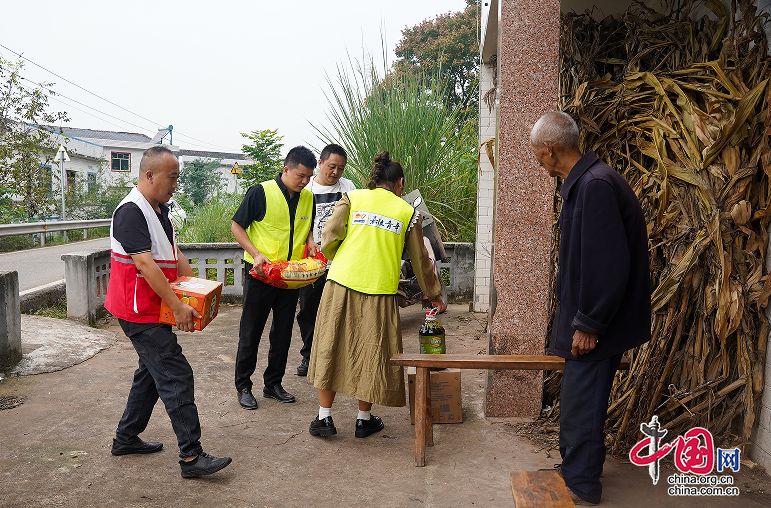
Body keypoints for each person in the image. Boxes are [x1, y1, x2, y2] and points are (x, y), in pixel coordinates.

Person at [530, 112, 650, 505]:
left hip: (595, 325)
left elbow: (607, 263)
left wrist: (590, 323)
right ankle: (578, 469)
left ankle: (581, 484)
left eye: (537, 154)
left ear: (550, 149)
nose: (537, 161)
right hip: (589, 321)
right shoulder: (587, 183)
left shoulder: (596, 185)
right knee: (582, 398)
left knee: (584, 400)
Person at [105, 145, 232, 478]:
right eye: (172, 177)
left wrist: (194, 291)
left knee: (149, 375)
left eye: (177, 178)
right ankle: (192, 458)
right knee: (176, 374)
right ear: (150, 175)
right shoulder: (131, 211)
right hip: (138, 313)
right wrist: (178, 307)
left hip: (151, 309)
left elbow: (174, 256)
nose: (176, 184)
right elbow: (145, 265)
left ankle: (126, 438)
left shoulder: (159, 210)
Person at [307, 151, 445, 438]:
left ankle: (324, 418)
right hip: (380, 292)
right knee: (371, 352)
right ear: (400, 183)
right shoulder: (408, 212)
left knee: (331, 345)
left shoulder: (354, 197)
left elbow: (330, 236)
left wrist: (339, 255)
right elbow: (420, 261)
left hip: (340, 284)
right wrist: (433, 293)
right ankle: (363, 418)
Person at [231, 146, 318, 409]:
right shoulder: (261, 191)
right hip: (260, 275)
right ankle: (244, 386)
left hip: (290, 277)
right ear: (286, 169)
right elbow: (237, 226)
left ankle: (273, 384)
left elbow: (307, 228)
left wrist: (312, 242)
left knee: (282, 333)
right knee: (251, 332)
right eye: (300, 176)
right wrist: (255, 253)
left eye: (308, 177)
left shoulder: (308, 198)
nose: (304, 182)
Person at [295, 143, 356, 377]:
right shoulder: (305, 187)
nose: (336, 172)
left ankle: (339, 357)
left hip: (341, 263)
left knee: (341, 310)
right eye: (332, 166)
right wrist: (310, 240)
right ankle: (309, 356)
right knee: (308, 310)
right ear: (320, 164)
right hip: (312, 263)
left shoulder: (348, 187)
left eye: (341, 168)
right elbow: (300, 222)